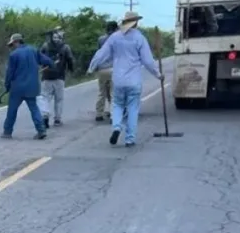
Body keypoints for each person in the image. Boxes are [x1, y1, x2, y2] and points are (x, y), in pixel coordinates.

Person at [86, 11, 162, 147]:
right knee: (133, 108)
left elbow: (102, 54)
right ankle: (130, 139)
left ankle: (116, 127)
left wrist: (92, 67)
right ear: (136, 22)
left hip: (119, 80)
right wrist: (158, 74)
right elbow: (147, 61)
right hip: (134, 81)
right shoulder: (139, 38)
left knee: (117, 105)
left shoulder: (115, 37)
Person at [2, 33, 53, 140]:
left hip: (17, 88)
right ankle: (41, 130)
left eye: (12, 44)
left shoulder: (14, 55)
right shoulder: (33, 50)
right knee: (34, 108)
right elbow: (46, 61)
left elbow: (10, 73)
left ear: (16, 42)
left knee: (12, 109)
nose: (12, 47)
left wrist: (7, 85)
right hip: (32, 87)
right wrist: (51, 64)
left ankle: (7, 131)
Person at [39, 28, 75, 128]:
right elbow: (70, 60)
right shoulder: (65, 47)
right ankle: (57, 119)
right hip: (59, 76)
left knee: (45, 97)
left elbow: (39, 57)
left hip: (46, 76)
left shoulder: (45, 45)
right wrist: (71, 70)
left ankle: (45, 115)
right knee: (59, 99)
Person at [94, 20, 119, 122]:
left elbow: (98, 53)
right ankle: (113, 115)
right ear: (115, 28)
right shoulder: (118, 39)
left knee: (101, 92)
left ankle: (99, 114)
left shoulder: (101, 39)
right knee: (113, 93)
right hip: (113, 68)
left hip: (102, 68)